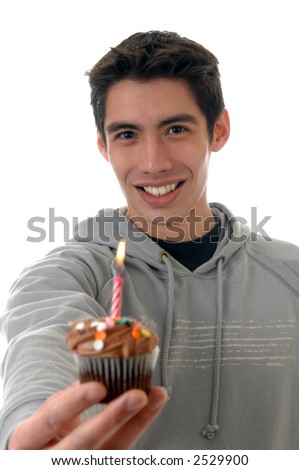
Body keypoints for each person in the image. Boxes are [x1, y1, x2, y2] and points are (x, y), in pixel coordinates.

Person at [1, 30, 299, 451]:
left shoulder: (291, 274)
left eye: (175, 128)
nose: (153, 162)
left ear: (219, 130)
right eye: (127, 135)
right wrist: (34, 426)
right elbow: (43, 337)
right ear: (104, 146)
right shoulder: (67, 276)